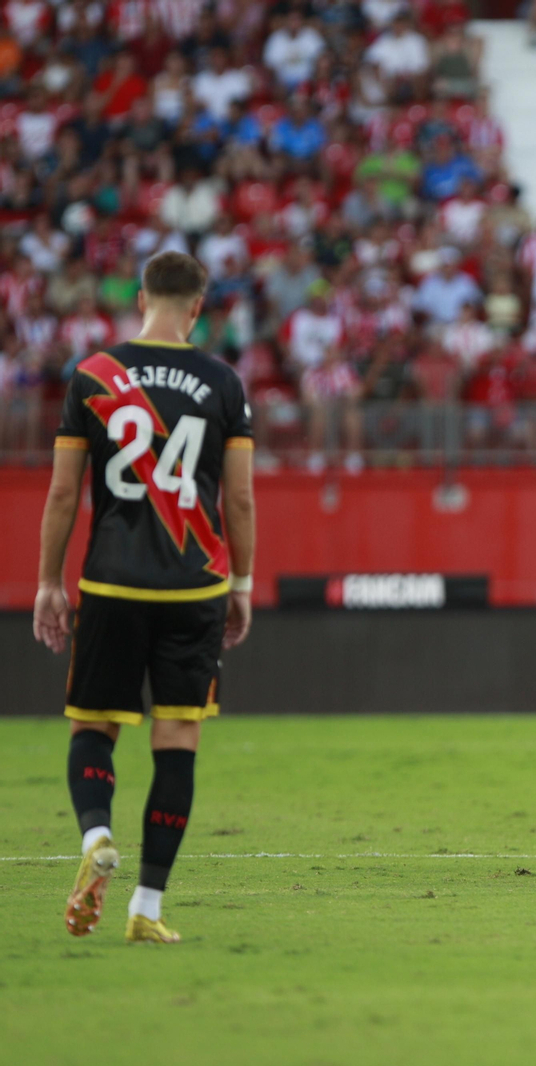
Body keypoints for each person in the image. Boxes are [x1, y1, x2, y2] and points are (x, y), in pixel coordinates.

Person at [33, 251, 256, 943]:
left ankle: (96, 835)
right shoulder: (222, 382)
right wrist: (243, 584)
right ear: (198, 307)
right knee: (178, 740)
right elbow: (240, 500)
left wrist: (47, 582)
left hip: (111, 581)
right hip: (195, 585)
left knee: (93, 728)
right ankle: (148, 909)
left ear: (140, 299)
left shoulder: (93, 375)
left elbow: (63, 493)